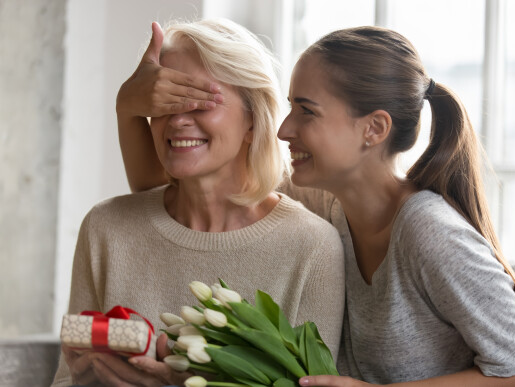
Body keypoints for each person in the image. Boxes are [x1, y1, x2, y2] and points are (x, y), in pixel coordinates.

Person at [116, 23, 515, 386]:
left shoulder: (430, 233)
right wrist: (128, 106)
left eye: (306, 111)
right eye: (289, 108)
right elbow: (163, 190)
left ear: (374, 129)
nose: (284, 129)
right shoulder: (329, 204)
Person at [52, 19, 345, 387]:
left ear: (253, 122)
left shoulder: (312, 248)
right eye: (163, 103)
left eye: (200, 102)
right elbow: (65, 379)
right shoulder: (106, 228)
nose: (177, 119)